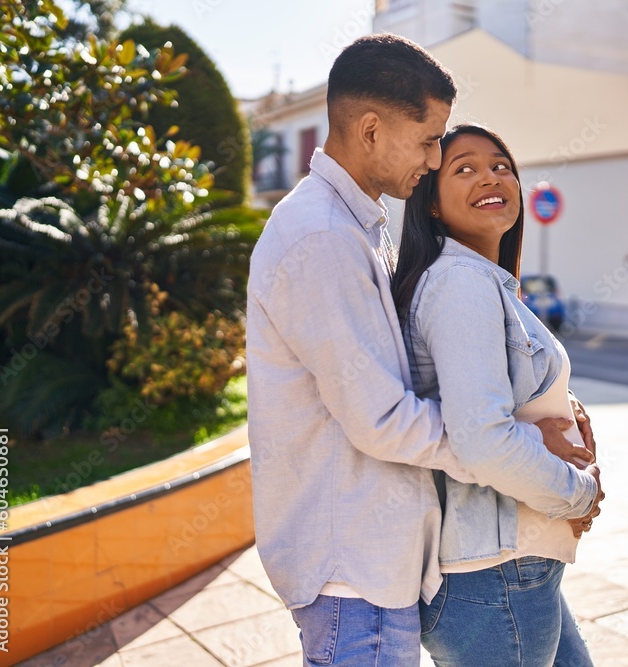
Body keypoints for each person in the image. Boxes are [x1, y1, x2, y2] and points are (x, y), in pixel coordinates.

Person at [246, 35, 602, 666]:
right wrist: (530, 454)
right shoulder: (322, 238)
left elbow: (429, 382)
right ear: (373, 129)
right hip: (352, 568)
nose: (435, 157)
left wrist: (535, 414)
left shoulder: (356, 229)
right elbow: (383, 418)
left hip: (381, 561)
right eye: (431, 139)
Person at [392, 123, 602, 666]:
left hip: (518, 567)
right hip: (495, 576)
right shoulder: (460, 283)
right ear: (431, 204)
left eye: (501, 165)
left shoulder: (483, 281)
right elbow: (483, 439)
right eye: (464, 168)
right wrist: (579, 494)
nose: (491, 176)